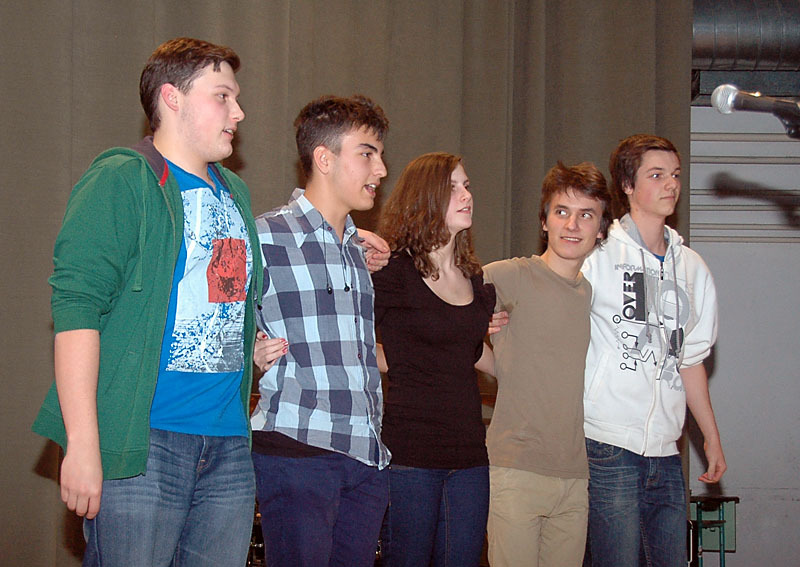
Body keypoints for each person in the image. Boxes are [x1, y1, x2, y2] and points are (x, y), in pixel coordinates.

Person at [32, 38, 263, 566]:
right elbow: (77, 310)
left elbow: (219, 309)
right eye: (222, 96)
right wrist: (83, 443)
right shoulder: (122, 178)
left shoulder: (235, 194)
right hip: (146, 443)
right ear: (172, 97)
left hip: (228, 446)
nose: (238, 113)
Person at [250, 94, 391, 567]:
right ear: (324, 159)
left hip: (365, 458)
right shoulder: (263, 236)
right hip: (297, 450)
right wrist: (251, 349)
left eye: (380, 155)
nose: (381, 170)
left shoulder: (358, 249)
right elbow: (216, 324)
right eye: (367, 154)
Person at [581, 134, 727, 567]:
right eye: (657, 175)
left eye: (675, 175)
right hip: (607, 442)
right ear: (627, 185)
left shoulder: (692, 267)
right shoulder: (596, 254)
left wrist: (711, 438)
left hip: (666, 450)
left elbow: (691, 360)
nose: (671, 184)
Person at [483, 162, 613, 567]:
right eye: (561, 212)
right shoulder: (511, 275)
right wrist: (492, 354)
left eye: (586, 214)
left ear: (602, 229)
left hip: (574, 475)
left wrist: (503, 362)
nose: (572, 224)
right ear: (544, 221)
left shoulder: (591, 294)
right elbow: (442, 315)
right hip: (516, 468)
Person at [371, 153, 495, 567]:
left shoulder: (475, 278)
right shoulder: (392, 272)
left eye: (467, 186)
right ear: (426, 197)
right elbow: (350, 343)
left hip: (470, 456)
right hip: (411, 455)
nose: (466, 195)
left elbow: (470, 352)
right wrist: (401, 360)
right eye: (453, 187)